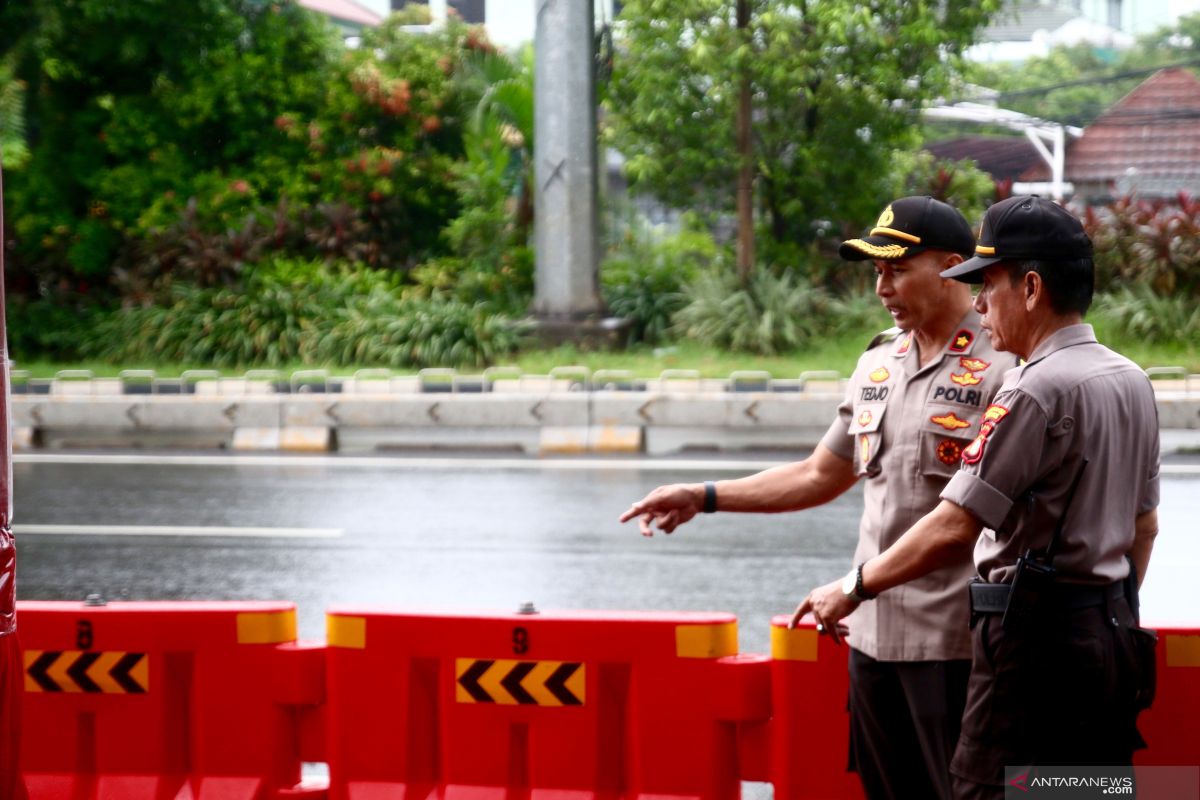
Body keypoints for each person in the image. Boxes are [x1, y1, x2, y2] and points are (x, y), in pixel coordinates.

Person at [620, 196, 1016, 800]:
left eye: (897, 270)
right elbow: (818, 475)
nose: (882, 288)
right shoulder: (879, 362)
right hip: (873, 637)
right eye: (876, 273)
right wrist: (703, 495)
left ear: (951, 266)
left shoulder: (1005, 365)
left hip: (956, 642)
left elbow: (970, 520)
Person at [793, 195, 1160, 800]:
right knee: (1080, 790)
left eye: (988, 285)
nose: (981, 304)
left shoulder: (1032, 388)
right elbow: (1143, 528)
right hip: (1111, 633)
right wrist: (1103, 615)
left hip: (1033, 643)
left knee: (990, 790)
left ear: (1033, 287)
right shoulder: (1130, 379)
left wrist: (853, 587)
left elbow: (955, 525)